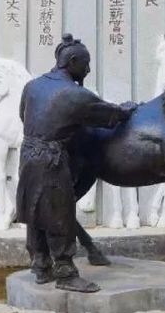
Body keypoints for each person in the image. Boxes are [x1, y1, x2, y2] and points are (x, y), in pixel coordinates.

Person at [16, 34, 136, 292]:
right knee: (60, 214)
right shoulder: (75, 94)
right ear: (71, 62)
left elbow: (22, 114)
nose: (89, 70)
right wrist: (128, 109)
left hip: (28, 155)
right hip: (51, 159)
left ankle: (40, 265)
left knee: (36, 211)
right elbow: (110, 115)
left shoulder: (32, 86)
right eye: (86, 64)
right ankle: (66, 273)